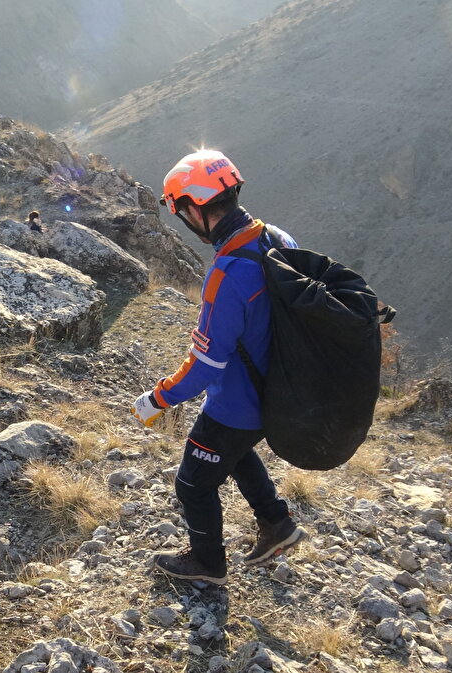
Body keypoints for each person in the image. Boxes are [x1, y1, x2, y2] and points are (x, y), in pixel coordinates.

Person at [131, 149, 307, 585]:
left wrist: (158, 398)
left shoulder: (227, 274)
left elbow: (207, 362)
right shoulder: (277, 238)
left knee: (193, 481)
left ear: (194, 207)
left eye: (181, 211)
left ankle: (207, 564)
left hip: (237, 404)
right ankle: (277, 524)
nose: (184, 221)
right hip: (278, 391)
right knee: (237, 452)